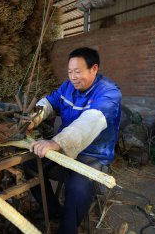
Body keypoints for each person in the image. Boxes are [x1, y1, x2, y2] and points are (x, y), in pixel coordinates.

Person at [24, 47, 121, 234]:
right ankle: (52, 210)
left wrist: (56, 143)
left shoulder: (109, 93)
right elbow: (50, 102)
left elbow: (90, 121)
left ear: (94, 69)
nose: (73, 77)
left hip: (93, 154)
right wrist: (32, 119)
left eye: (78, 71)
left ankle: (67, 229)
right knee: (30, 164)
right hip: (64, 146)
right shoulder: (68, 87)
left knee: (78, 186)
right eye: (70, 72)